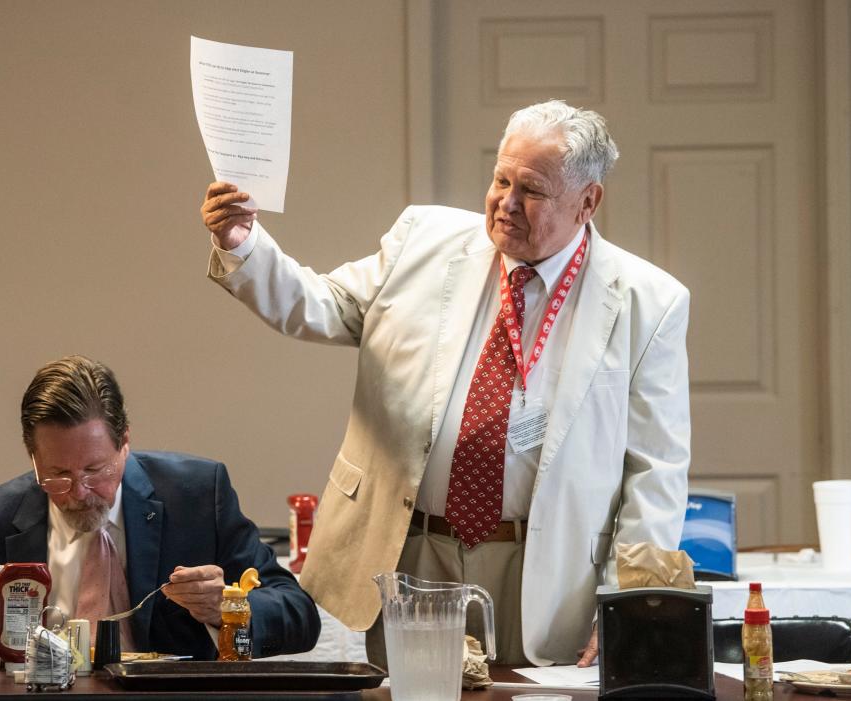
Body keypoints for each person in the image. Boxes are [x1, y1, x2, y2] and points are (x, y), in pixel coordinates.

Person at [200, 100, 691, 667]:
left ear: (588, 201)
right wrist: (244, 243)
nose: (506, 203)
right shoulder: (424, 240)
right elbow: (323, 306)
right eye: (500, 179)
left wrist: (631, 604)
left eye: (531, 190)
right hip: (416, 551)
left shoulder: (648, 303)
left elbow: (656, 472)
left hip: (543, 568)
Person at [0, 355, 320, 664]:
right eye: (57, 475)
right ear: (32, 457)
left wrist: (227, 608)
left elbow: (299, 616)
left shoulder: (198, 497)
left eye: (95, 470)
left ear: (125, 444)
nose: (80, 492)